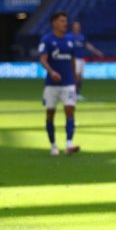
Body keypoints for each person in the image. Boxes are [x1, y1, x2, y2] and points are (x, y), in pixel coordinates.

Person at [39, 12, 80, 156]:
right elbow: (43, 59)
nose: (65, 23)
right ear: (54, 23)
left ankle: (69, 144)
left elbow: (73, 60)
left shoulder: (70, 40)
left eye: (65, 21)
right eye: (62, 21)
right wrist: (51, 72)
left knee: (70, 111)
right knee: (50, 114)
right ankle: (53, 146)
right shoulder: (47, 40)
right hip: (51, 84)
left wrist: (75, 78)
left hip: (68, 83)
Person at [66, 21, 104, 100]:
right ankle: (72, 93)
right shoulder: (69, 36)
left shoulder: (82, 36)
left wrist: (96, 52)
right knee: (75, 76)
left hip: (81, 59)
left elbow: (87, 45)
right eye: (76, 26)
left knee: (80, 77)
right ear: (73, 27)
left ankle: (77, 93)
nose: (77, 27)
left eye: (78, 26)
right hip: (74, 59)